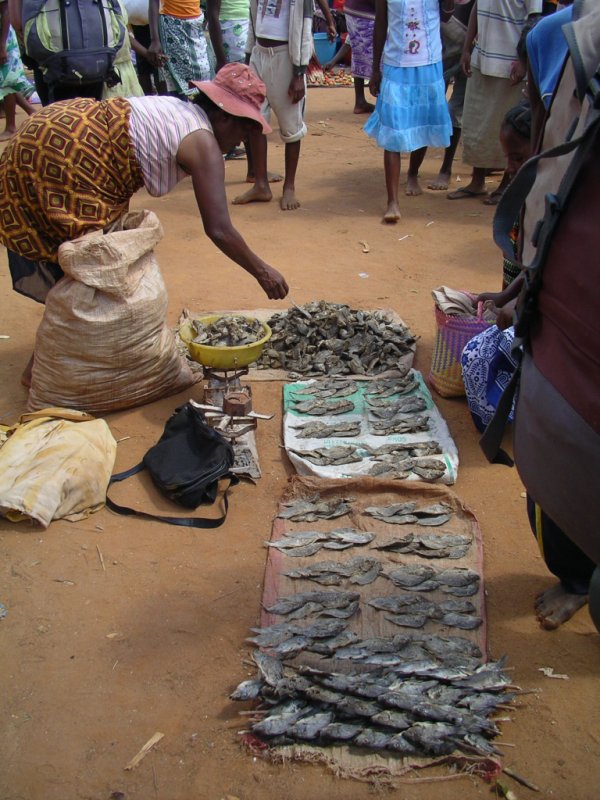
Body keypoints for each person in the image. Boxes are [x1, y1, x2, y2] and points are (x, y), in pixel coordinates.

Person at [0, 64, 289, 384]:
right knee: (89, 265)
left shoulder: (180, 110)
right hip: (65, 154)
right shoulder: (203, 142)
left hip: (54, 129)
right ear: (223, 116)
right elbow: (218, 228)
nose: (242, 141)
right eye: (244, 130)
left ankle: (63, 355)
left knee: (81, 259)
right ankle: (43, 367)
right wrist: (263, 271)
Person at [231, 0, 336, 211]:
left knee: (291, 126)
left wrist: (299, 72)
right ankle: (261, 184)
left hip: (286, 58)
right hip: (259, 54)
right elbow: (253, 19)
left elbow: (304, 29)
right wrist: (249, 58)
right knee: (255, 121)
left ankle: (289, 186)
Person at [364, 0, 453, 222]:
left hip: (428, 64)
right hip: (396, 65)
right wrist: (375, 69)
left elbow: (446, 15)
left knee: (422, 122)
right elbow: (381, 24)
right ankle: (392, 201)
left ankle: (413, 173)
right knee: (393, 130)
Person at [447, 0, 542, 204]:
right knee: (477, 123)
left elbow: (534, 20)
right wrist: (467, 48)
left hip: (509, 66)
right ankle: (477, 182)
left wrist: (523, 60)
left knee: (506, 126)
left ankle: (505, 185)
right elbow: (476, 8)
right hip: (481, 59)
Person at [147, 0, 216, 98]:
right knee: (178, 86)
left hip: (196, 26)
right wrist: (154, 40)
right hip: (172, 28)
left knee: (205, 78)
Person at [325, 0, 376, 115]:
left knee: (357, 48)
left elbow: (351, 41)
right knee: (381, 54)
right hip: (366, 10)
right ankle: (383, 103)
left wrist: (334, 60)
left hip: (352, 9)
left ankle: (360, 101)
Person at [0, 0, 35, 140]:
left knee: (7, 80)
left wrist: (2, 45)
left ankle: (11, 127)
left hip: (3, 39)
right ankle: (30, 111)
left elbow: (6, 11)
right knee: (6, 80)